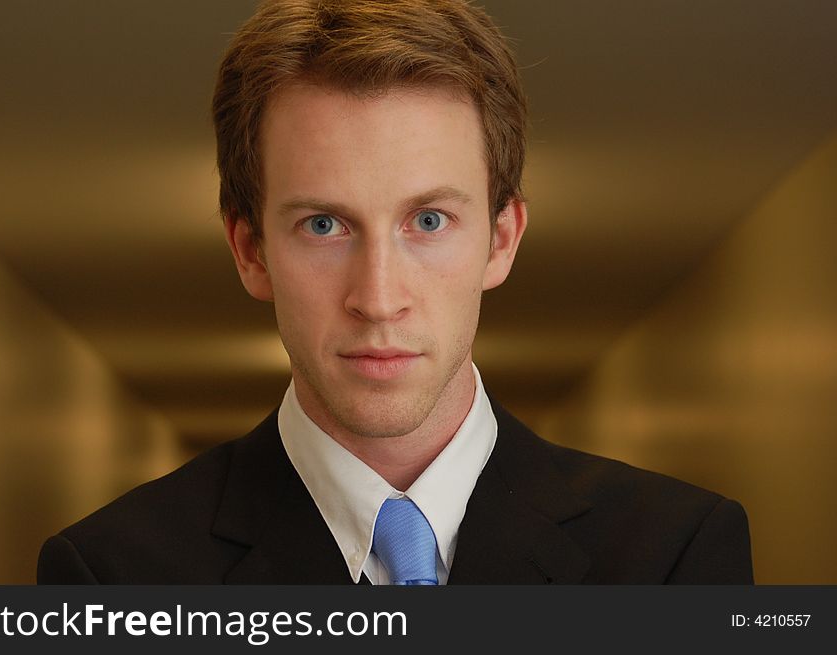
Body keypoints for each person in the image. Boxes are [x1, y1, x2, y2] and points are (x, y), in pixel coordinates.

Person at [38, 0, 753, 585]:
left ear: (502, 239)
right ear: (250, 250)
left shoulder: (675, 555)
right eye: (324, 224)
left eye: (429, 220)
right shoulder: (111, 575)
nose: (378, 298)